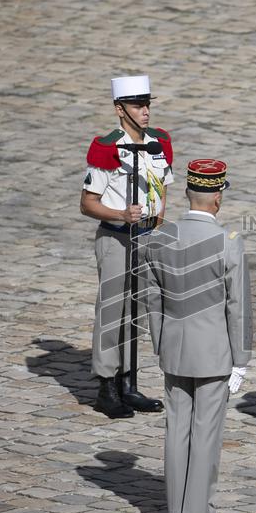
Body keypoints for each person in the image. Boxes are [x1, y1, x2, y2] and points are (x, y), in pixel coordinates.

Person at [142, 159, 252, 513]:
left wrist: (161, 344)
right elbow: (236, 306)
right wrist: (241, 360)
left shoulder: (157, 239)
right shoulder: (227, 242)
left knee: (177, 430)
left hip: (174, 347)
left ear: (189, 193)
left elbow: (152, 298)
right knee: (205, 433)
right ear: (217, 197)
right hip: (213, 353)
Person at [80, 74, 171, 418]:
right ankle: (106, 385)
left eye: (147, 104)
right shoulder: (107, 147)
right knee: (112, 311)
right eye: (137, 105)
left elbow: (164, 190)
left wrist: (158, 230)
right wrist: (121, 213)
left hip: (148, 237)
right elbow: (87, 203)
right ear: (120, 109)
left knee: (140, 309)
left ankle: (128, 382)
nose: (145, 111)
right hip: (117, 237)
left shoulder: (159, 142)